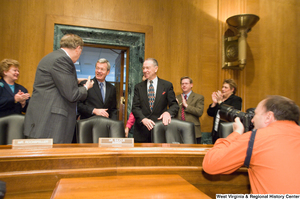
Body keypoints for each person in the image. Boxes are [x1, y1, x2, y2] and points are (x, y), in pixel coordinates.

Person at [203, 95, 300, 194]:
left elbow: (211, 164)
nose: (252, 120)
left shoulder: (255, 138)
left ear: (268, 117)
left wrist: (236, 133)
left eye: (255, 114)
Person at [24, 34, 94, 143]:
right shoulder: (63, 60)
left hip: (42, 122)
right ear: (78, 48)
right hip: (51, 125)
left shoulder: (52, 57)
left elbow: (54, 82)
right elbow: (72, 95)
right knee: (50, 159)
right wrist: (86, 87)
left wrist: (76, 80)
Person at [132, 58, 179, 143]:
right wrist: (143, 119)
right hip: (142, 132)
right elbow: (135, 107)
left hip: (160, 130)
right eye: (143, 68)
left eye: (147, 68)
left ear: (156, 68)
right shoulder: (138, 87)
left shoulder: (167, 85)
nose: (145, 70)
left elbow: (174, 105)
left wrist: (168, 113)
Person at [207, 79, 242, 143]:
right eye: (223, 87)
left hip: (227, 133)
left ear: (232, 89)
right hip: (216, 132)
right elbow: (210, 113)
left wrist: (220, 102)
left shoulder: (236, 99)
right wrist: (214, 103)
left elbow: (232, 113)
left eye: (226, 87)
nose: (223, 89)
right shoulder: (220, 98)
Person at [176, 76, 204, 144]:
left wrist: (186, 106)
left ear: (191, 85)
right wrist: (175, 106)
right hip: (178, 130)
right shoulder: (177, 98)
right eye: (182, 84)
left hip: (193, 131)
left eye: (186, 83)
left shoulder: (198, 97)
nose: (184, 85)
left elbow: (199, 112)